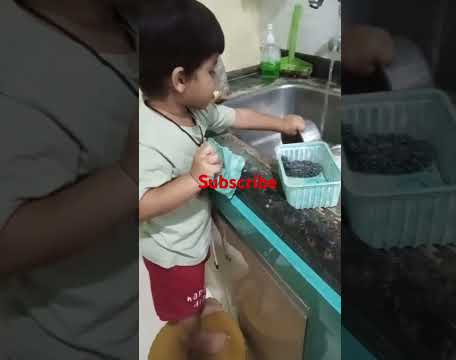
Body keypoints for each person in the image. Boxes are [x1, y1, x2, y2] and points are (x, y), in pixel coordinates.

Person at [138, 0, 305, 356]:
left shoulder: (192, 111)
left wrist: (281, 123)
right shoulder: (148, 138)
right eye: (212, 71)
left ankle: (196, 310)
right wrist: (195, 179)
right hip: (173, 253)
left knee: (192, 301)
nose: (217, 81)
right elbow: (139, 205)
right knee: (182, 315)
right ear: (180, 79)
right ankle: (194, 344)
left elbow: (236, 117)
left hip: (191, 240)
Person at [0, 1, 139, 358]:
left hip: (140, 314)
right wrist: (129, 174)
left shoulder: (125, 18)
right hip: (75, 342)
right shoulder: (16, 53)